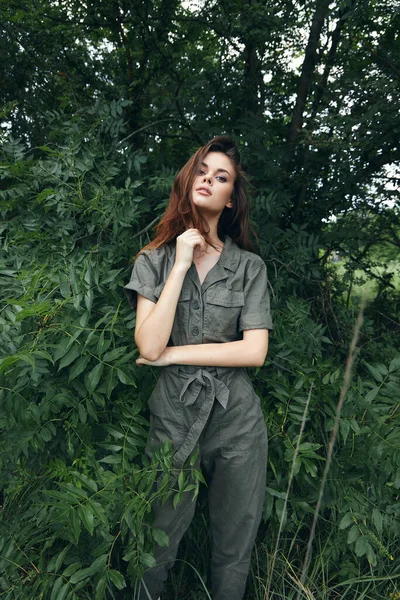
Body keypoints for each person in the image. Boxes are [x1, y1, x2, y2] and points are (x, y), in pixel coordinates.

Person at [124, 136, 273, 600]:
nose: (209, 180)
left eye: (221, 177)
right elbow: (148, 344)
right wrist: (181, 262)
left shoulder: (249, 267)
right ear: (189, 180)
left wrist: (174, 355)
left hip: (237, 420)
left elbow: (253, 353)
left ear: (231, 200)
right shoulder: (154, 259)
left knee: (234, 545)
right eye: (203, 171)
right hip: (174, 415)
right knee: (156, 540)